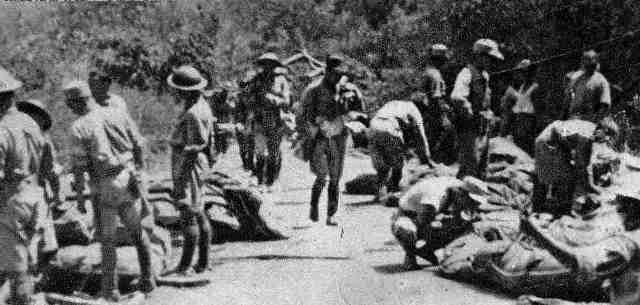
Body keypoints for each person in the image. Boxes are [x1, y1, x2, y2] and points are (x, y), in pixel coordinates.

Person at [64, 80, 156, 300]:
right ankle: (148, 278)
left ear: (76, 103)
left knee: (107, 239)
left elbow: (79, 167)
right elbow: (139, 143)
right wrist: (140, 171)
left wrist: (79, 200)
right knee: (138, 231)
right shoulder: (118, 114)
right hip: (129, 177)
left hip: (104, 184)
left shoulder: (79, 127)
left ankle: (111, 290)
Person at [0, 67, 54, 305]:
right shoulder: (30, 122)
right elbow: (47, 163)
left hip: (12, 198)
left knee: (17, 266)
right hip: (33, 194)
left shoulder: (2, 129)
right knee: (28, 258)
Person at [167, 65, 215, 275]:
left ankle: (185, 265)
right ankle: (203, 262)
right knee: (199, 211)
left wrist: (180, 181)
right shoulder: (202, 106)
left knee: (188, 214)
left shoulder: (193, 113)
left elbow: (192, 149)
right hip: (197, 164)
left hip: (189, 166)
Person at [391, 176, 491, 270]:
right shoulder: (435, 194)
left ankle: (426, 251)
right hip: (408, 215)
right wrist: (440, 223)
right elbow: (424, 221)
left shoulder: (457, 188)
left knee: (466, 224)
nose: (473, 205)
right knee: (406, 230)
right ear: (461, 193)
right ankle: (410, 255)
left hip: (429, 214)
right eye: (472, 201)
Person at [298, 54, 350, 226]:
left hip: (339, 136)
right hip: (319, 137)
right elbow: (303, 115)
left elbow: (355, 111)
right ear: (327, 71)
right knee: (322, 176)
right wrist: (310, 131)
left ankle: (331, 214)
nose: (337, 77)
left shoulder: (346, 88)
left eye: (339, 74)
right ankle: (314, 205)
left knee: (335, 177)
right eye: (334, 73)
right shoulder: (314, 89)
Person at [16, 99, 62, 270]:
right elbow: (51, 172)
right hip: (34, 194)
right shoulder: (43, 139)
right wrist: (57, 195)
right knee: (39, 242)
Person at [450, 39, 504, 179]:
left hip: (482, 129)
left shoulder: (485, 75)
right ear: (479, 56)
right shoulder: (466, 73)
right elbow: (457, 97)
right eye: (489, 58)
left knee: (482, 168)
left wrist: (489, 114)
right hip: (470, 130)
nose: (492, 62)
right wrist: (470, 114)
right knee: (470, 168)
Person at [367, 99, 434, 205]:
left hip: (373, 126)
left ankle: (380, 195)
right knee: (398, 164)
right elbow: (421, 136)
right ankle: (394, 194)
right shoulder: (414, 109)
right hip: (389, 126)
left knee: (382, 167)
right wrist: (427, 159)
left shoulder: (394, 103)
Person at [242, 53, 291, 192]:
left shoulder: (281, 81)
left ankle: (272, 180)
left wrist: (274, 99)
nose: (267, 67)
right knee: (260, 152)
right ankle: (260, 180)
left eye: (270, 64)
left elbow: (287, 101)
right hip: (259, 120)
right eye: (265, 64)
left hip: (276, 120)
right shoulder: (256, 80)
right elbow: (247, 98)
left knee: (274, 152)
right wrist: (252, 98)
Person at [421, 44, 454, 162]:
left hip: (427, 112)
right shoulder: (435, 75)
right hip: (434, 113)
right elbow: (437, 97)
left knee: (430, 139)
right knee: (447, 132)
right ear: (439, 60)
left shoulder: (427, 72)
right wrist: (445, 115)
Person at [500, 59, 540, 155]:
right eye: (522, 72)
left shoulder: (535, 87)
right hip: (518, 122)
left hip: (528, 122)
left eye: (526, 72)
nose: (524, 75)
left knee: (527, 148)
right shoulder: (522, 87)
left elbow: (537, 109)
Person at [565, 50, 611, 123]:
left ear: (595, 64)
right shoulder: (577, 78)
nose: (589, 65)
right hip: (573, 118)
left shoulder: (601, 81)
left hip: (590, 119)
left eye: (591, 61)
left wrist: (595, 122)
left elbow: (604, 104)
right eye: (586, 61)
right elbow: (568, 100)